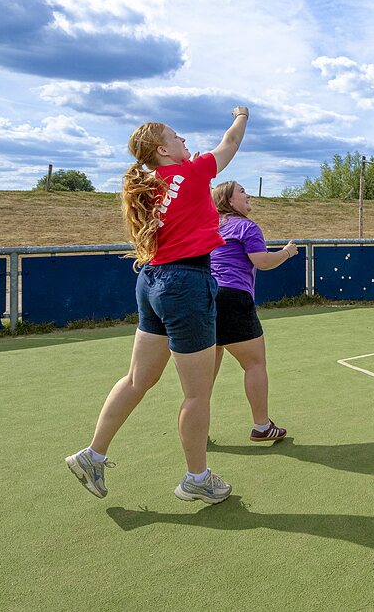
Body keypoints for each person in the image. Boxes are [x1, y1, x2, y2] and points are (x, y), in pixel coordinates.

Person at [66, 108, 249, 505]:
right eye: (177, 137)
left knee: (137, 379)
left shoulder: (149, 185)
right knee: (197, 395)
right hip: (186, 284)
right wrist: (241, 115)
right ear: (163, 150)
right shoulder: (194, 171)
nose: (185, 141)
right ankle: (197, 478)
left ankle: (92, 455)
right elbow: (231, 143)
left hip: (151, 282)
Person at [209, 180, 300, 442]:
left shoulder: (210, 226)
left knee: (204, 376)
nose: (247, 195)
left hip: (206, 297)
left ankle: (196, 430)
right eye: (242, 191)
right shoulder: (247, 227)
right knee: (255, 364)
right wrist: (286, 252)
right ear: (228, 201)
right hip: (233, 297)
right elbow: (262, 262)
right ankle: (262, 426)